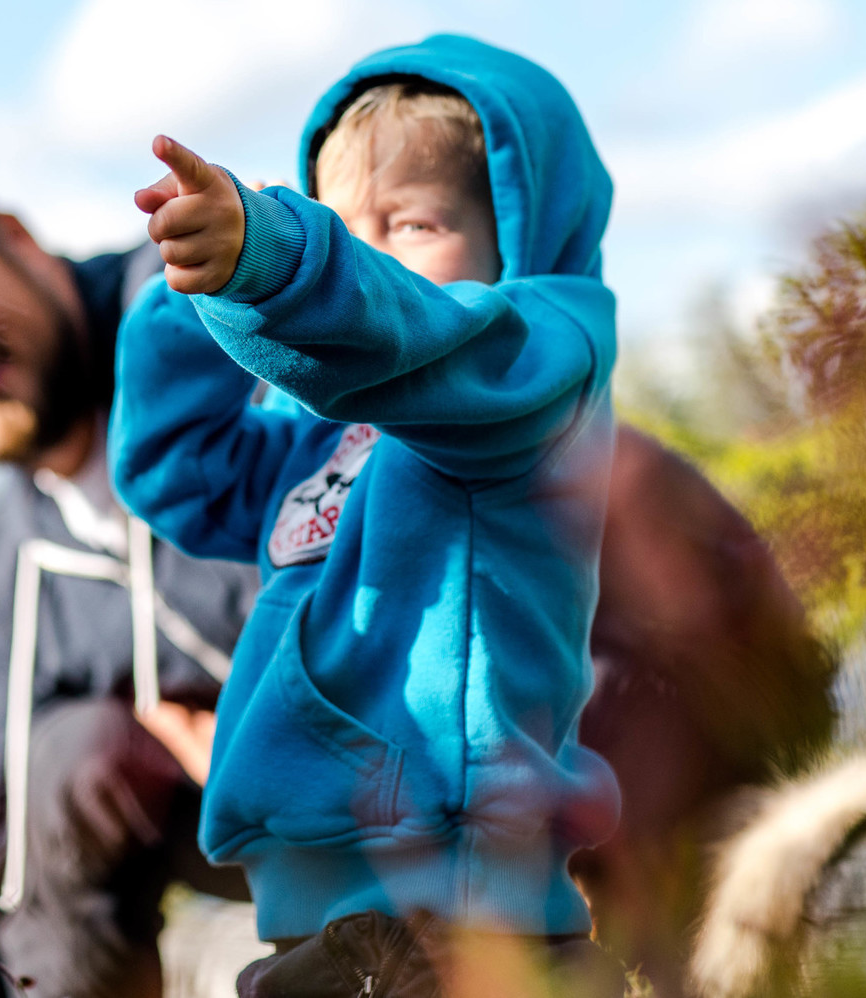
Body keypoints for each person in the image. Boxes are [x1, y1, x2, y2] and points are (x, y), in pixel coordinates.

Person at [114, 35, 628, 995]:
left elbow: (436, 337)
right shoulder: (322, 440)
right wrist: (200, 289)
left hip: (458, 922)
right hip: (316, 914)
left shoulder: (536, 372)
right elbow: (178, 470)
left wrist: (287, 268)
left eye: (412, 224)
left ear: (520, 234)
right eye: (344, 227)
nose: (366, 252)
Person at [0, 151, 257, 998]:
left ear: (16, 240)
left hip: (421, 773)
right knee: (64, 764)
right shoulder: (14, 548)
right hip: (238, 829)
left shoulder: (203, 321)